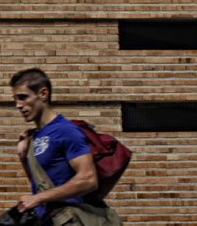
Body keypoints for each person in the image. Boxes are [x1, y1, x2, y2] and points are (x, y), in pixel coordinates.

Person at [10, 68, 122, 226]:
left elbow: (88, 180)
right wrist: (23, 156)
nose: (18, 105)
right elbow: (43, 185)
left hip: (73, 220)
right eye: (15, 99)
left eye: (23, 97)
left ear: (43, 94)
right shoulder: (34, 136)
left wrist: (38, 198)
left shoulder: (65, 130)